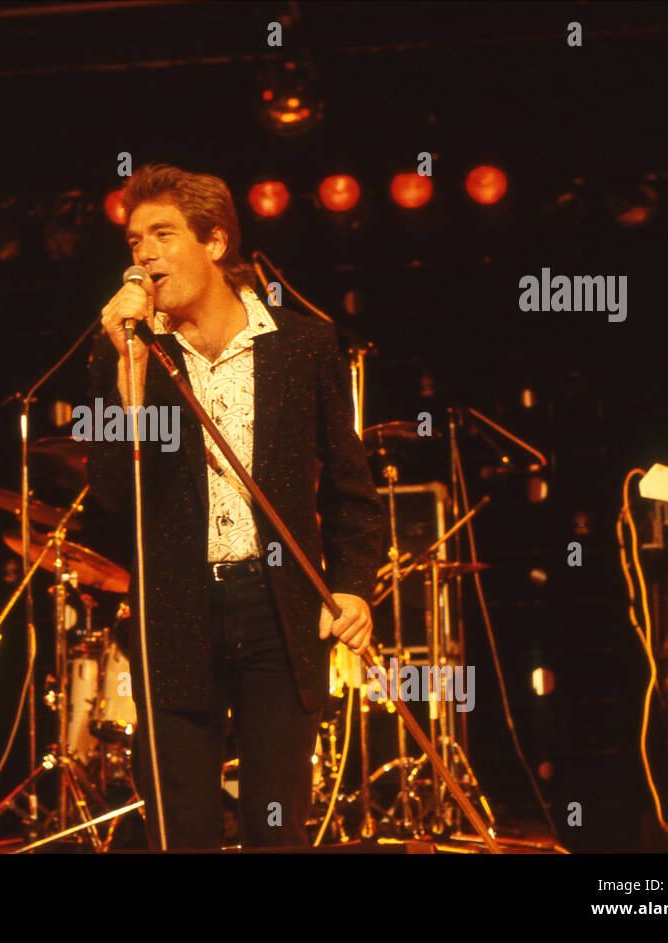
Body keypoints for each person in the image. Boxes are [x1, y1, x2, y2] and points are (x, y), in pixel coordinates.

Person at [87, 164, 385, 849]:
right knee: (182, 828)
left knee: (273, 827)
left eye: (163, 234)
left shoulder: (303, 345)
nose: (145, 254)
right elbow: (110, 490)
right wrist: (125, 375)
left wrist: (352, 588)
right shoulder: (133, 353)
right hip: (174, 610)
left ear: (215, 241)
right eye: (135, 241)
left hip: (278, 609)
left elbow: (351, 489)